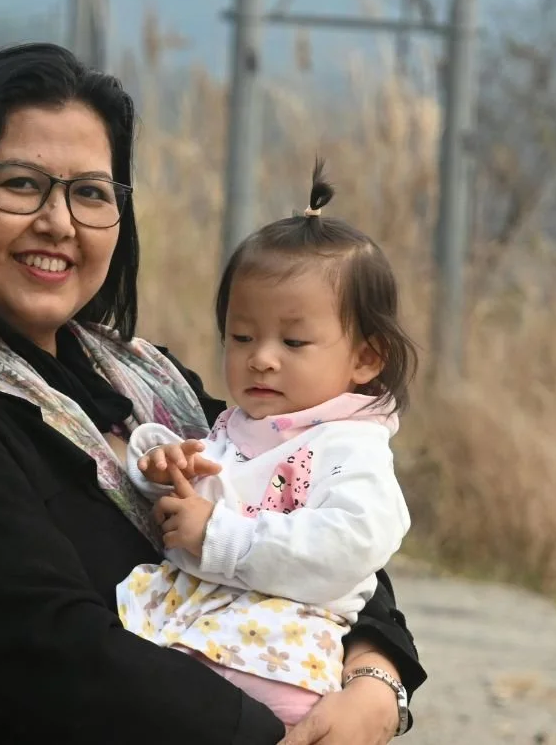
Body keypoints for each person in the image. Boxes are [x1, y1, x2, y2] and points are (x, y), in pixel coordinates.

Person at [0, 42, 426, 745]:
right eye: (20, 183)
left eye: (89, 192)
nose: (59, 221)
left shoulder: (156, 388)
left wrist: (375, 680)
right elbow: (66, 664)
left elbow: (319, 524)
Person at [117, 162, 416, 730]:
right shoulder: (240, 426)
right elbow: (214, 486)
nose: (261, 357)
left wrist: (219, 539)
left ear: (366, 358)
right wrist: (166, 461)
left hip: (281, 666)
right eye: (242, 336)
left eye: (294, 340)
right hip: (194, 640)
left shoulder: (351, 445)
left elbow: (353, 544)